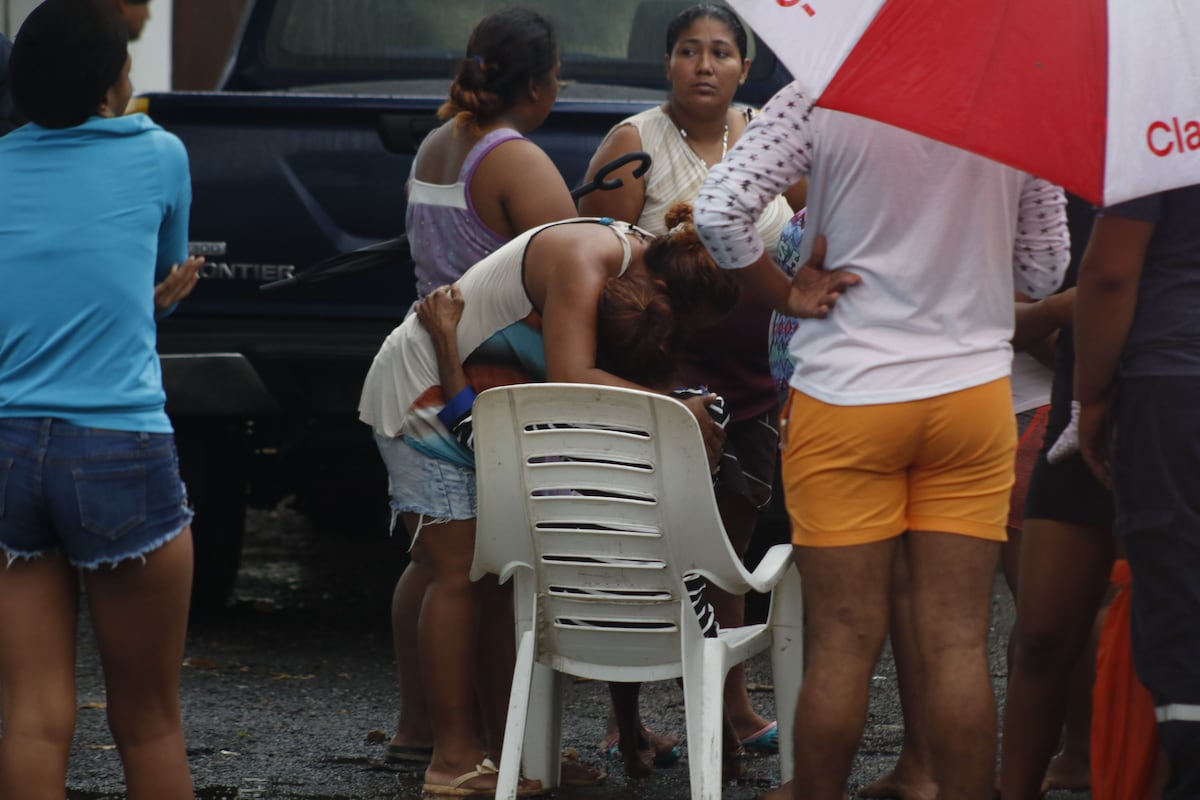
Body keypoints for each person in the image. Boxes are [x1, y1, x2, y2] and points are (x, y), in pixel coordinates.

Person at [693, 79, 1069, 800]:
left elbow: (719, 210)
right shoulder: (1022, 95)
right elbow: (1043, 269)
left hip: (848, 395)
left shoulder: (829, 85)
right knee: (960, 643)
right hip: (969, 397)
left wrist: (785, 293)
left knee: (840, 645)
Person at [359, 204, 735, 796]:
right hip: (429, 396)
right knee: (456, 573)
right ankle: (453, 759)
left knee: (480, 579)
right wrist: (675, 410)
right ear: (659, 287)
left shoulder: (632, 273)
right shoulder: (586, 259)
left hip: (487, 406)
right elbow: (569, 369)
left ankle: (493, 746)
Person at [578, 3, 804, 767]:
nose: (703, 65)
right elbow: (601, 266)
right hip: (659, 385)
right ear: (667, 63)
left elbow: (806, 231)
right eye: (686, 51)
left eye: (719, 52)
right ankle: (625, 717)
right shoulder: (631, 146)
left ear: (744, 67)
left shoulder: (770, 135)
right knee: (646, 547)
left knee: (731, 542)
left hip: (752, 383)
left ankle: (730, 701)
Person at [0, 1, 203, 798]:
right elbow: (159, 270)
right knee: (147, 719)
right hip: (120, 448)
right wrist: (163, 302)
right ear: (111, 79)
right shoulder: (158, 155)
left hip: (9, 445)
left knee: (30, 715)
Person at [378, 5, 581, 776]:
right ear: (537, 85)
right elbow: (571, 270)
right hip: (467, 381)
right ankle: (468, 755)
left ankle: (420, 729)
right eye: (556, 76)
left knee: (434, 565)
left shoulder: (441, 141)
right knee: (472, 577)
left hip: (419, 370)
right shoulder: (516, 159)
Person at [1074, 182, 1200, 800]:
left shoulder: (1166, 111)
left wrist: (1091, 397)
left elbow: (1109, 273)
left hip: (1174, 384)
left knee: (1179, 592)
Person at [998, 194, 1116, 800]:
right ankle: (1054, 767)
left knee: (1139, 614)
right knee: (1046, 621)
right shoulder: (1050, 182)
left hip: (1146, 403)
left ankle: (1095, 757)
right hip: (1065, 412)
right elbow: (1010, 314)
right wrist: (1061, 317)